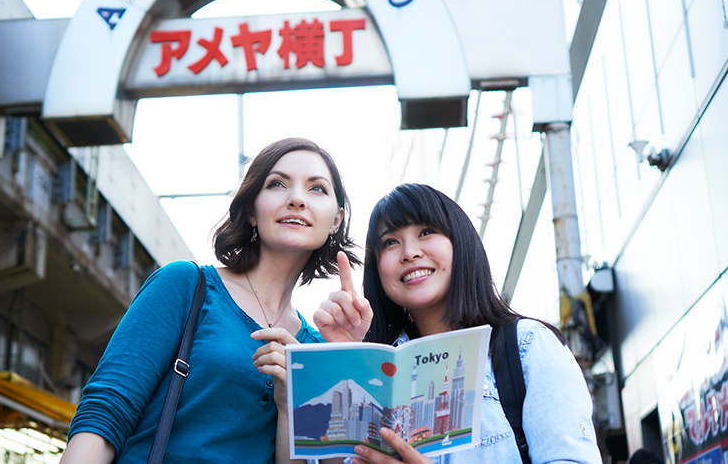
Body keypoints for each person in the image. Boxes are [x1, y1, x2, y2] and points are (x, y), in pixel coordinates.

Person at [59, 137, 360, 464]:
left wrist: (290, 402)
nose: (297, 199)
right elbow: (108, 408)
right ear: (251, 211)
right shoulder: (187, 285)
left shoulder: (315, 349)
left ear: (336, 220)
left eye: (317, 188)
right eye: (277, 184)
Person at [314, 183, 602, 463]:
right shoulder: (375, 371)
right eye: (390, 241)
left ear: (460, 242)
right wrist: (348, 358)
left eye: (426, 232)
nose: (409, 252)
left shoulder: (528, 346)